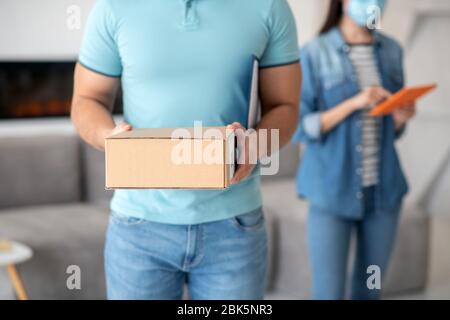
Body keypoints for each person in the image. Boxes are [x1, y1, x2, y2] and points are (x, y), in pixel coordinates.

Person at [71, 0, 301, 300]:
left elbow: (285, 106)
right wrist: (109, 137)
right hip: (138, 226)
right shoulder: (114, 7)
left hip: (234, 226)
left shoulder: (268, 7)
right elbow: (87, 99)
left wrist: (253, 147)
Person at [293, 0, 416, 299]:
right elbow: (299, 127)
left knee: (370, 289)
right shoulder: (313, 53)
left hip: (383, 192)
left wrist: (400, 118)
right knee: (328, 292)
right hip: (330, 193)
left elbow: (395, 131)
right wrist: (355, 103)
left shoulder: (391, 51)